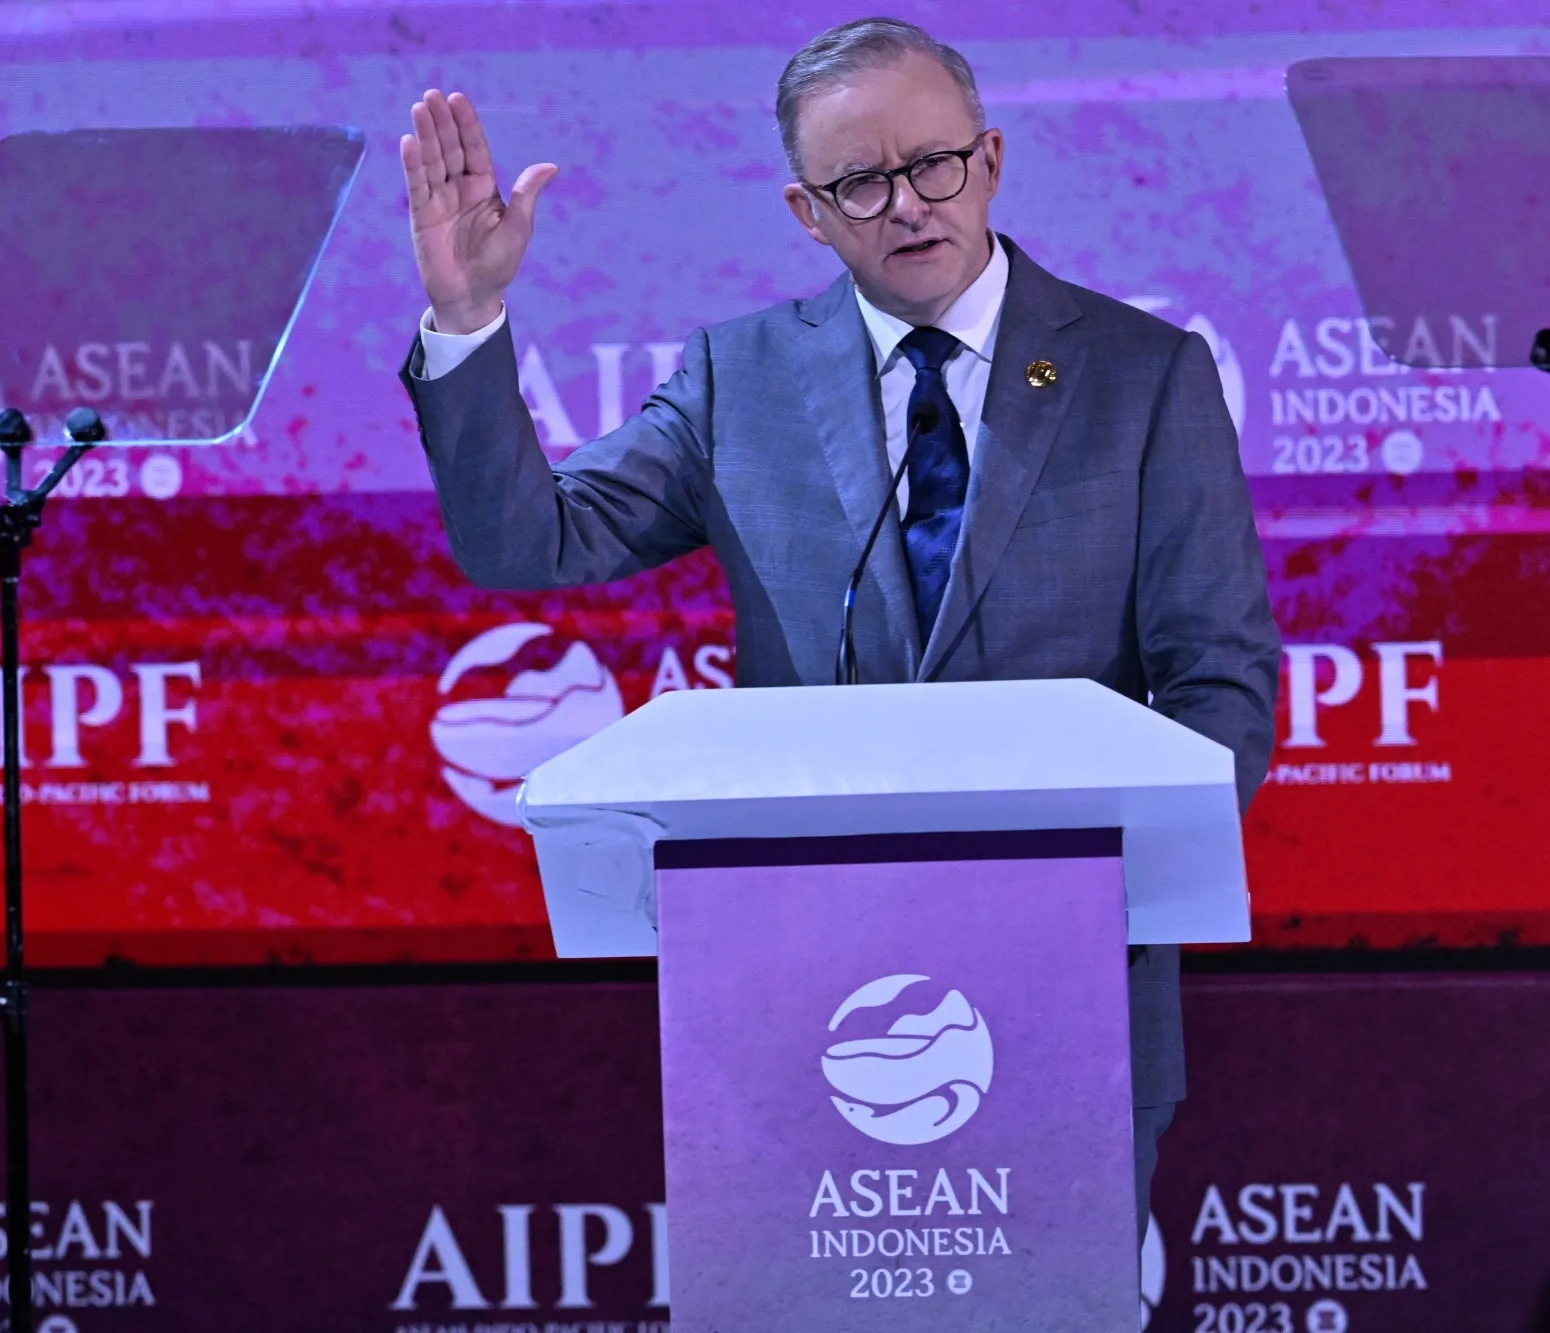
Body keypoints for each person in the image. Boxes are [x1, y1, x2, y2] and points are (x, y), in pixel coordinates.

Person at [398, 16, 1278, 1242]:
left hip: (1069, 991)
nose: (909, 204)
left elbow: (1218, 688)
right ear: (807, 213)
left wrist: (1089, 896)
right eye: (860, 183)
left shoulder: (1144, 376)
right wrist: (469, 317)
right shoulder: (737, 380)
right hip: (805, 994)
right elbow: (525, 541)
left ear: (992, 160)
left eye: (934, 164)